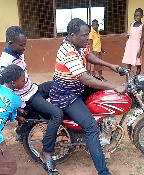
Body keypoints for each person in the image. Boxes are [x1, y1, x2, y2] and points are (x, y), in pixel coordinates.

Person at [49, 18, 126, 175]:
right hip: (66, 95)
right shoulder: (68, 51)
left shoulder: (78, 45)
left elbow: (88, 55)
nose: (87, 39)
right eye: (84, 36)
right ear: (72, 35)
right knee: (91, 127)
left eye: (88, 35)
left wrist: (110, 66)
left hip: (75, 88)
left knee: (102, 95)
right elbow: (85, 78)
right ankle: (103, 171)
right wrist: (115, 86)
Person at [0, 26, 63, 174]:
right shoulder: (5, 61)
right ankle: (46, 153)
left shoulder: (16, 52)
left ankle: (25, 127)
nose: (25, 48)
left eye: (25, 44)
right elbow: (0, 87)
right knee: (57, 114)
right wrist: (15, 108)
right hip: (27, 99)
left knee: (58, 84)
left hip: (32, 89)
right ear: (10, 43)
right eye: (22, 45)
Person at [122, 8, 144, 75]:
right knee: (128, 64)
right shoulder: (131, 24)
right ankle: (128, 81)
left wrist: (140, 50)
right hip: (130, 46)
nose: (136, 17)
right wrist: (128, 39)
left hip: (137, 46)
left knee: (138, 65)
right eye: (135, 16)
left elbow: (142, 38)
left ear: (142, 16)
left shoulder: (142, 26)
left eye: (138, 16)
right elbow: (131, 34)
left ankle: (136, 80)